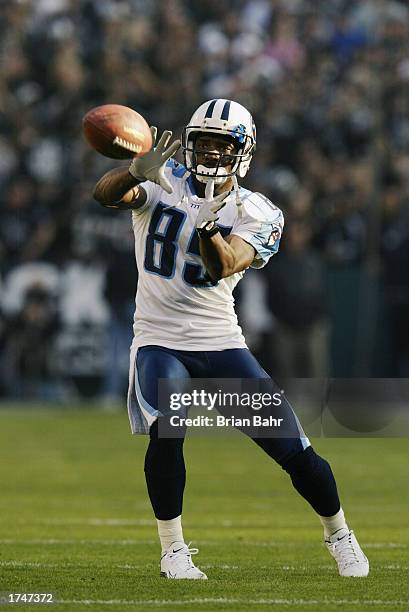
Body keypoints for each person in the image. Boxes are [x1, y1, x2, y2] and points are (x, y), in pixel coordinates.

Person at [93, 99, 369, 580]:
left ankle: (339, 534)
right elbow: (106, 195)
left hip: (220, 342)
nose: (212, 155)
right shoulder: (164, 179)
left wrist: (203, 220)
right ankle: (173, 549)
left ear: (244, 152)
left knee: (293, 450)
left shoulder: (256, 210)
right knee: (168, 428)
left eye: (224, 146)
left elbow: (223, 264)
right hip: (159, 337)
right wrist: (136, 171)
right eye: (204, 143)